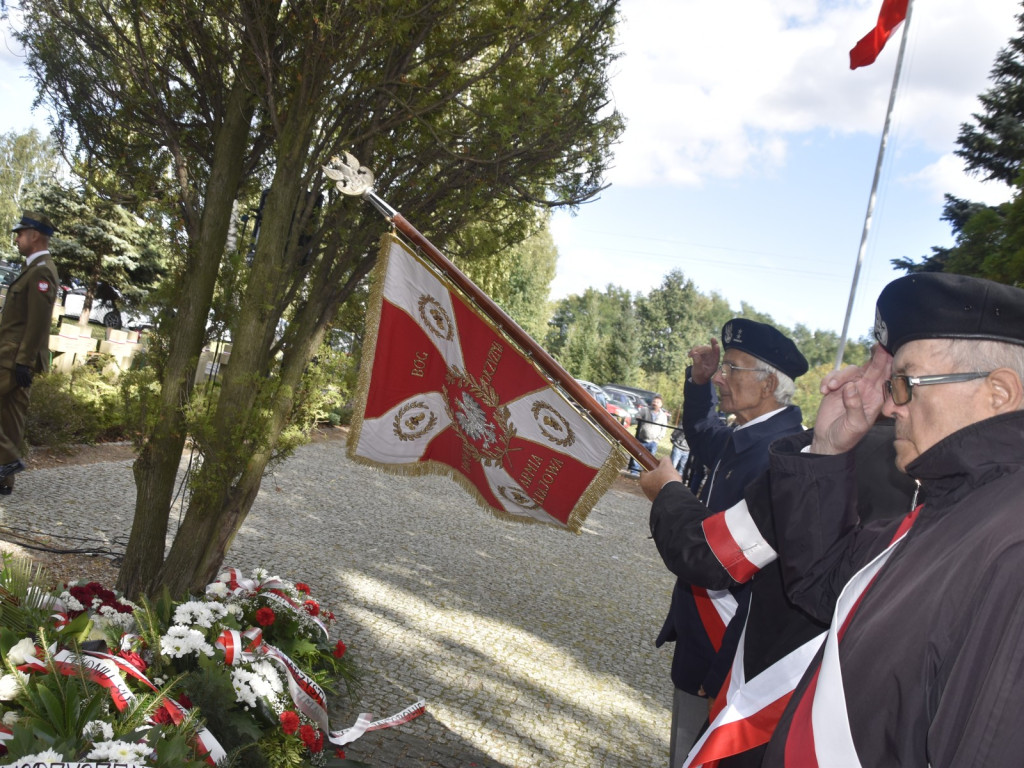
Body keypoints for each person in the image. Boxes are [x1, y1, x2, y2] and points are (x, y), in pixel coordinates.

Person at [754, 271, 1024, 765]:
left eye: (906, 382)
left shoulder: (1011, 543)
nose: (891, 405)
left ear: (999, 394)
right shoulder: (955, 508)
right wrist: (828, 448)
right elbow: (824, 582)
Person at [653, 318, 808, 767]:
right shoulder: (753, 436)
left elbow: (761, 578)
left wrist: (724, 666)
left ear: (768, 384)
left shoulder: (782, 454)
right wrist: (699, 383)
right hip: (706, 635)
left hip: (728, 651)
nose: (722, 375)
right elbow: (703, 434)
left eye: (732, 368)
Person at [0, 212, 60, 494]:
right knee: (11, 416)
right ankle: (4, 480)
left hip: (12, 357)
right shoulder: (35, 268)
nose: (17, 238)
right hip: (15, 357)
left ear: (34, 235)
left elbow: (38, 321)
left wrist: (23, 362)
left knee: (11, 414)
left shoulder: (41, 271)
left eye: (21, 233)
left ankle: (9, 461)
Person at [627, 394, 669, 475]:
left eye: (657, 402)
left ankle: (646, 473)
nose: (655, 403)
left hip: (653, 441)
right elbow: (637, 415)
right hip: (642, 438)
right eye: (654, 401)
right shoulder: (645, 410)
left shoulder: (663, 415)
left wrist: (658, 439)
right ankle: (634, 471)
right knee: (638, 455)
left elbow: (664, 428)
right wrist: (639, 419)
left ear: (661, 404)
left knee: (650, 458)